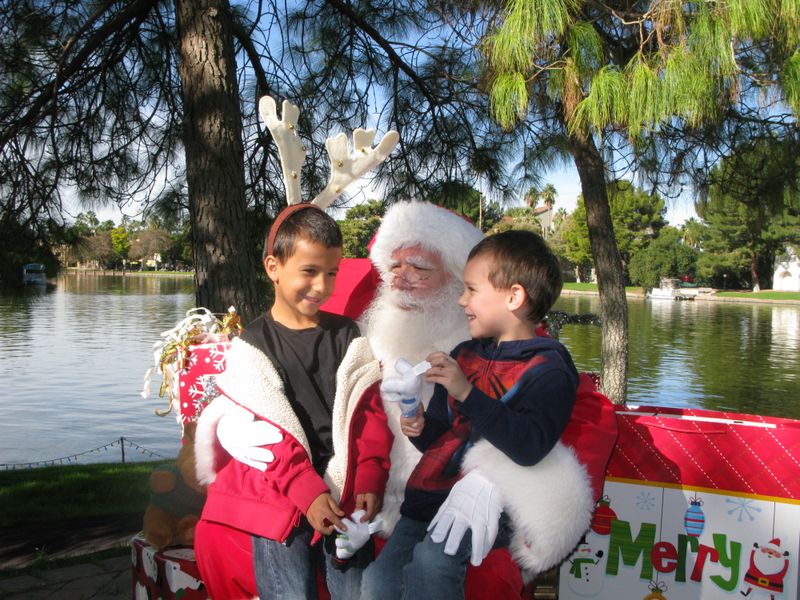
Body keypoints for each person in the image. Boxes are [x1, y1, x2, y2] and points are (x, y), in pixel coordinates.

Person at [359, 229, 593, 599]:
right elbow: (443, 436)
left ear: (514, 296)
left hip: (483, 509)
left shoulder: (548, 369)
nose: (461, 299)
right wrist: (417, 422)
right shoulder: (465, 353)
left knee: (432, 565)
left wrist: (466, 392)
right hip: (424, 500)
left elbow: (529, 445)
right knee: (377, 582)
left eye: (472, 289)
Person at [193, 204, 393, 600]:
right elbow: (268, 434)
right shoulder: (252, 347)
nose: (322, 286)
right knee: (289, 591)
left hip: (344, 489)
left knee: (355, 590)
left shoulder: (351, 338)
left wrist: (370, 474)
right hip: (284, 490)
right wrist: (307, 492)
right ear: (273, 267)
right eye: (309, 272)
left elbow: (369, 415)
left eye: (332, 273)